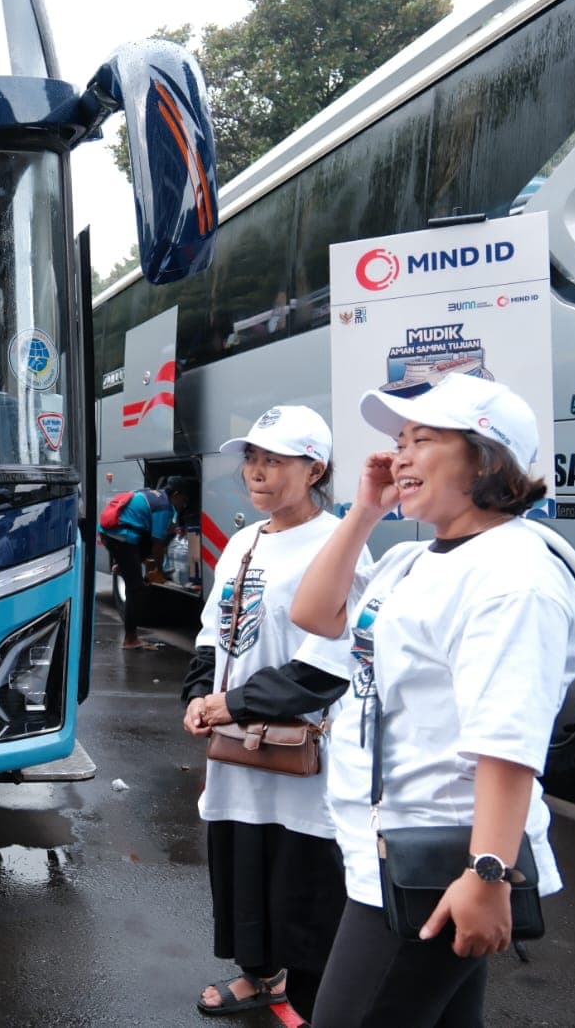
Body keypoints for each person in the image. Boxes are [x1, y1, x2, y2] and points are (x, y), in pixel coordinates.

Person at [289, 374, 575, 1028]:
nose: (400, 456)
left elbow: (508, 740)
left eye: (423, 440)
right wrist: (365, 509)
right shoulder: (414, 562)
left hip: (443, 855)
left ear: (487, 459)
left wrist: (487, 873)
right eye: (399, 442)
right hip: (392, 847)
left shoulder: (515, 577)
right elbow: (314, 613)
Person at [181, 405, 367, 1022]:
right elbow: (212, 632)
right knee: (241, 867)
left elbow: (325, 670)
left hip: (302, 753)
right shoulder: (241, 540)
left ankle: (314, 1002)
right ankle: (259, 978)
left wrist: (228, 704)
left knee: (303, 883)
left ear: (315, 469)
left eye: (275, 461)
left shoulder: (340, 547)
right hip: (237, 749)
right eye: (252, 460)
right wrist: (197, 697)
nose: (257, 473)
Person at [100, 477, 188, 650]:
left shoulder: (157, 496)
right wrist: (159, 570)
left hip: (114, 534)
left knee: (156, 538)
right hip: (120, 537)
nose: (183, 505)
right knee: (136, 589)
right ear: (176, 494)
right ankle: (131, 639)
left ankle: (122, 565)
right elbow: (157, 546)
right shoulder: (163, 507)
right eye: (183, 500)